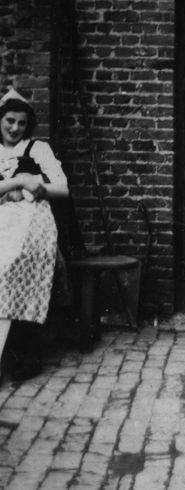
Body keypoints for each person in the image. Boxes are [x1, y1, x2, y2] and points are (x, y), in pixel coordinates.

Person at [0, 88, 69, 382]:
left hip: (32, 221)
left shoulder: (37, 149)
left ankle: (22, 353)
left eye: (21, 123)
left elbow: (62, 189)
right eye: (9, 121)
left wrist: (36, 187)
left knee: (14, 263)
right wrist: (18, 180)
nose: (15, 128)